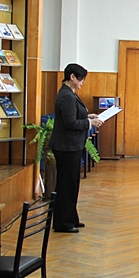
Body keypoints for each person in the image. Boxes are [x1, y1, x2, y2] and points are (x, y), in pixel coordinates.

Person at [49, 63, 103, 233]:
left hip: (71, 145)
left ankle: (70, 218)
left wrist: (88, 116)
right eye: (81, 79)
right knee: (66, 185)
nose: (82, 83)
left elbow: (74, 114)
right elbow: (70, 123)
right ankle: (63, 223)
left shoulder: (70, 93)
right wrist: (90, 123)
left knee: (71, 184)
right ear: (72, 77)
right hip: (66, 146)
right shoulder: (66, 95)